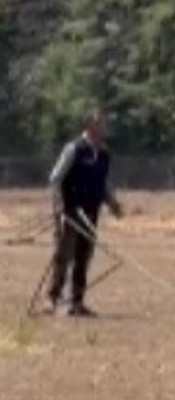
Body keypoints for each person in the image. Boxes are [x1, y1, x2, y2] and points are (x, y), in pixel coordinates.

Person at [47, 110, 123, 317]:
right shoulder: (74, 149)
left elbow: (103, 182)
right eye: (99, 124)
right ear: (89, 125)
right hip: (70, 211)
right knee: (64, 256)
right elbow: (55, 178)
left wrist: (112, 203)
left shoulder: (104, 153)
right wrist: (60, 203)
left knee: (84, 257)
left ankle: (77, 302)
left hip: (91, 213)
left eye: (104, 124)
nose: (103, 128)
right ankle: (55, 298)